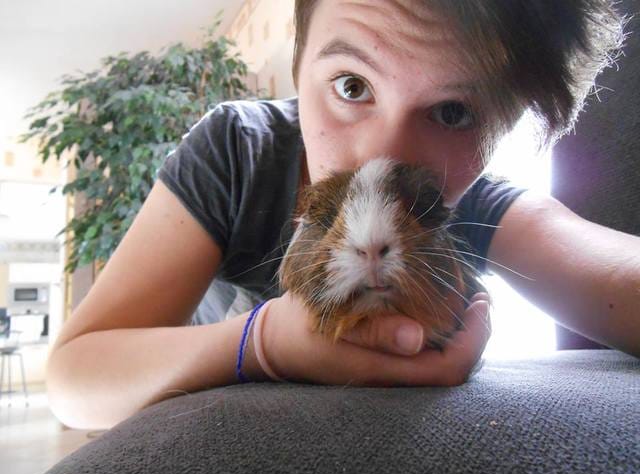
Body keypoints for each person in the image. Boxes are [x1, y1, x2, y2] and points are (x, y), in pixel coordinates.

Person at [46, 0, 639, 430]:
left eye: (454, 112)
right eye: (352, 86)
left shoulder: (472, 197)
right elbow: (74, 382)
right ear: (299, 62)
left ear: (503, 130)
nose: (382, 158)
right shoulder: (237, 152)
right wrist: (262, 344)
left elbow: (616, 273)